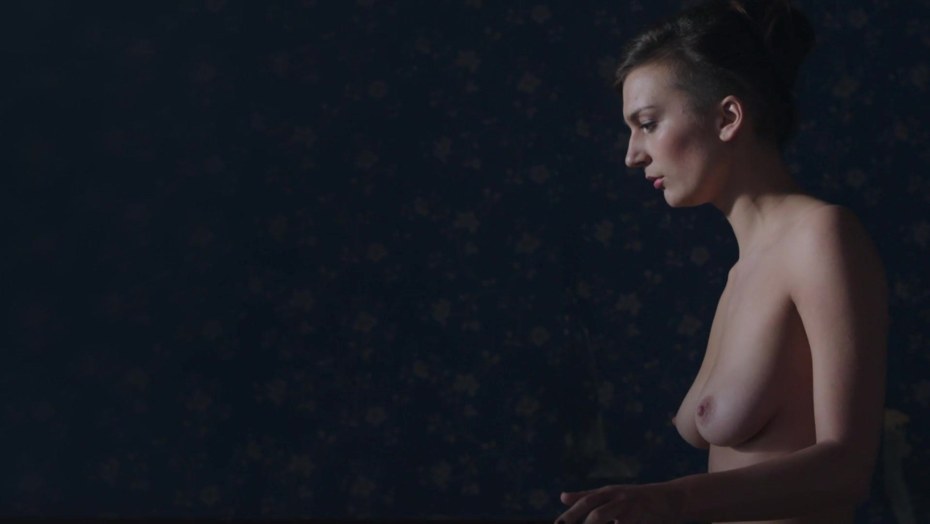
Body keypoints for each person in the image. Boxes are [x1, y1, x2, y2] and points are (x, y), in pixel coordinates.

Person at [554, 1, 889, 523]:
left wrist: (673, 499)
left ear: (728, 117)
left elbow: (847, 469)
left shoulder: (822, 237)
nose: (632, 155)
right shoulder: (742, 272)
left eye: (648, 123)